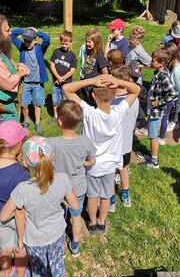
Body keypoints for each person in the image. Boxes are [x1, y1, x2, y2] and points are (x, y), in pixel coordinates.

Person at [63, 75, 140, 233]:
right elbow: (136, 89)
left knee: (92, 197)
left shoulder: (89, 113)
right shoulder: (119, 112)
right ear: (115, 95)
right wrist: (118, 82)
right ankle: (102, 221)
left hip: (92, 165)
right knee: (106, 196)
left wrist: (92, 81)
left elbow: (66, 89)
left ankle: (91, 223)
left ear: (93, 95)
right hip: (111, 165)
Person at [1, 136, 79, 276]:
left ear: (25, 163)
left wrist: (21, 211)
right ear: (52, 156)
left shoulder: (22, 189)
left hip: (34, 240)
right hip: (57, 233)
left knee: (38, 271)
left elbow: (4, 216)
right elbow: (75, 205)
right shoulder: (63, 179)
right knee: (57, 265)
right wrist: (61, 199)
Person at [48, 100, 97, 257]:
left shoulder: (51, 143)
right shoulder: (85, 141)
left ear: (60, 121)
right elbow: (92, 161)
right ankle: (75, 245)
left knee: (59, 218)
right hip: (78, 187)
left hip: (58, 188)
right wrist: (81, 161)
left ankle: (59, 245)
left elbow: (46, 163)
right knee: (76, 218)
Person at [0, 121, 30, 277]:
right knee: (20, 249)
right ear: (18, 145)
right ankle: (21, 275)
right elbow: (23, 198)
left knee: (5, 248)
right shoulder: (20, 174)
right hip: (18, 217)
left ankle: (6, 273)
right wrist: (25, 168)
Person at [137, 49, 178, 168]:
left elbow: (173, 93)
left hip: (157, 111)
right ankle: (151, 153)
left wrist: (159, 102)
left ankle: (154, 162)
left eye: (153, 60)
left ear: (161, 63)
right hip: (153, 110)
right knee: (152, 134)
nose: (151, 61)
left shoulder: (163, 76)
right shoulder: (159, 72)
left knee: (153, 137)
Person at [109, 65, 139, 211]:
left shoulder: (114, 104)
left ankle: (112, 200)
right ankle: (126, 196)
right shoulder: (134, 100)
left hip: (113, 146)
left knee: (110, 173)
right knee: (124, 168)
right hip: (127, 144)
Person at [10, 27, 51, 135]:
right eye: (25, 40)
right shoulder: (22, 47)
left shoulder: (39, 48)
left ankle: (37, 123)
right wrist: (24, 30)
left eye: (29, 41)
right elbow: (11, 35)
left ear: (35, 40)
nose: (27, 43)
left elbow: (47, 39)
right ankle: (27, 119)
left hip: (37, 83)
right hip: (25, 83)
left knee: (37, 104)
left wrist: (36, 31)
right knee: (24, 104)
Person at [49, 30, 77, 125]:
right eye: (62, 43)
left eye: (66, 44)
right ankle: (56, 116)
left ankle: (65, 117)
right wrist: (57, 77)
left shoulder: (72, 55)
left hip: (67, 83)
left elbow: (73, 70)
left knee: (66, 100)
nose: (64, 45)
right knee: (55, 99)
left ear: (70, 42)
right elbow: (52, 65)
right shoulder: (56, 52)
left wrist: (63, 78)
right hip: (56, 82)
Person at [157, 44, 180, 145]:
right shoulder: (171, 64)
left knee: (165, 116)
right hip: (165, 94)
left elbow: (177, 87)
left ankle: (162, 138)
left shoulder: (176, 69)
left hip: (169, 96)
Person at [80, 28, 108, 105]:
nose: (87, 43)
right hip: (85, 84)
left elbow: (105, 73)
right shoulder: (89, 53)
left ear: (96, 42)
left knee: (91, 105)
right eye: (86, 41)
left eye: (89, 42)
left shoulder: (99, 56)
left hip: (92, 87)